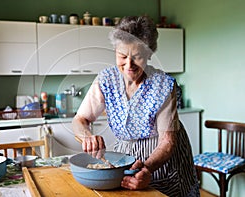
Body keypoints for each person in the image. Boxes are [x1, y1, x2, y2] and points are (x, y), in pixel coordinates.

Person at [72, 15, 199, 197]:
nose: (129, 65)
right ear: (115, 51)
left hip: (162, 158)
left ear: (149, 53)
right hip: (125, 154)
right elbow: (80, 119)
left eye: (137, 57)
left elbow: (167, 142)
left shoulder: (163, 85)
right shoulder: (106, 80)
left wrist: (147, 168)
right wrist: (87, 136)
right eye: (122, 56)